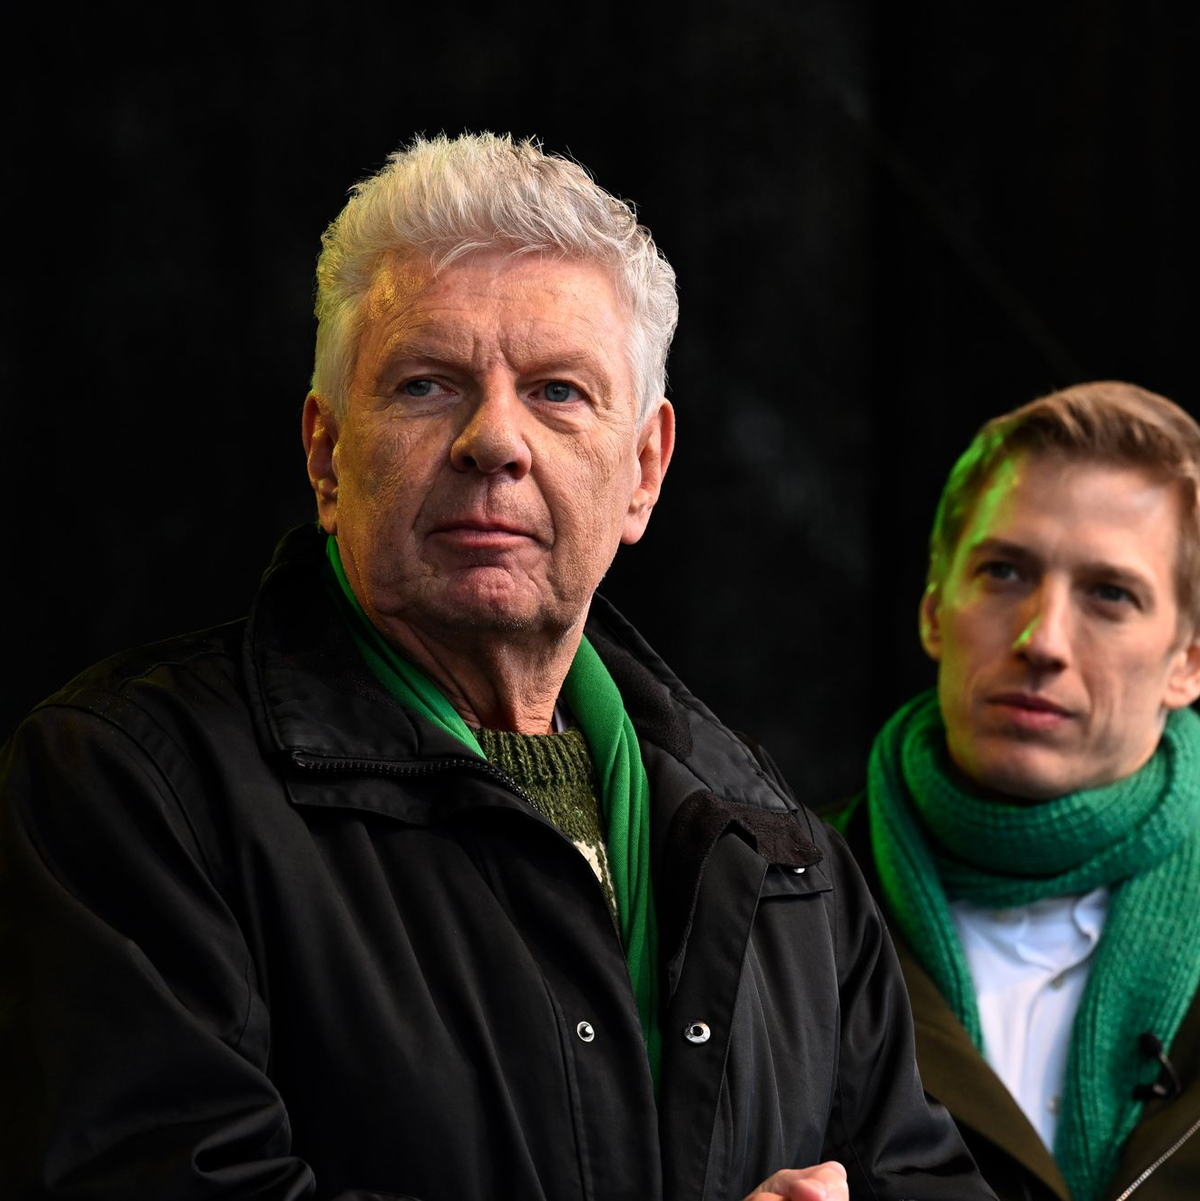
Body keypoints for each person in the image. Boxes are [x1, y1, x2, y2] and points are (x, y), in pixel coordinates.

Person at [0, 132, 990, 1201]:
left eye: (558, 391)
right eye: (427, 384)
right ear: (327, 454)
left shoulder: (777, 848)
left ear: (644, 470)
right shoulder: (128, 789)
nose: (495, 440)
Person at [826, 380, 1200, 1200]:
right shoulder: (777, 903)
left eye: (1110, 594)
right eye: (1003, 571)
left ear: (1188, 661)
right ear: (934, 609)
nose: (1042, 639)